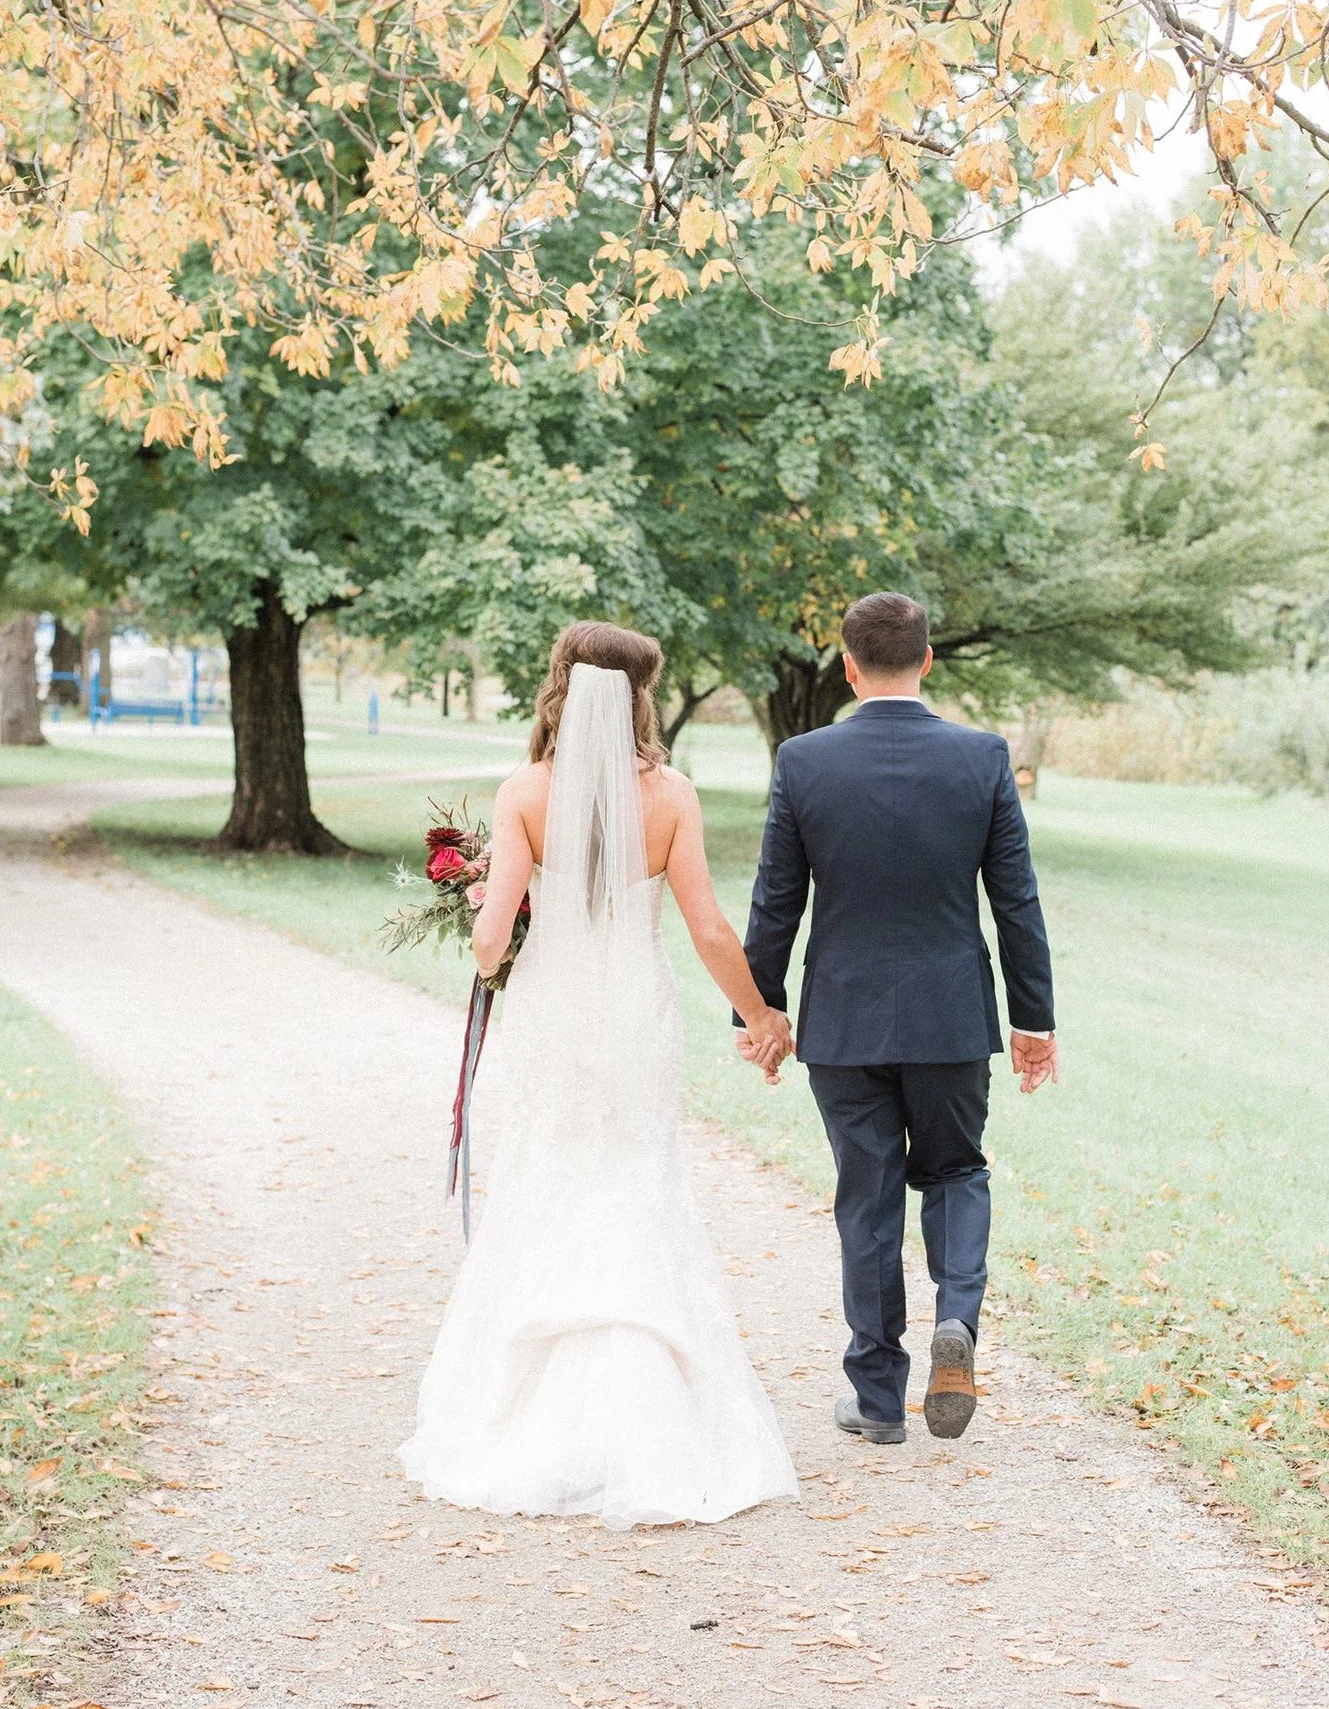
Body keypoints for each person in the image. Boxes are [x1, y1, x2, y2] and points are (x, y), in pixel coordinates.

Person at [399, 621, 799, 1528]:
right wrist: (762, 1016)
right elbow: (708, 929)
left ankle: (525, 1414)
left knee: (547, 1172)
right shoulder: (673, 796)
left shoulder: (524, 791)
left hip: (553, 1014)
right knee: (634, 1176)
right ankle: (655, 1416)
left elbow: (492, 943)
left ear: (560, 690)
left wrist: (488, 918)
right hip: (634, 1015)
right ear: (640, 698)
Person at [737, 591, 1057, 1444]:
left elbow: (776, 899)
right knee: (955, 1171)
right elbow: (1016, 901)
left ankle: (879, 1400)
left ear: (847, 666)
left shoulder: (803, 760)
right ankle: (957, 1318)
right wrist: (1033, 1019)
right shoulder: (981, 756)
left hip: (844, 1021)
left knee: (868, 1199)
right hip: (950, 1016)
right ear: (927, 660)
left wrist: (759, 1011)